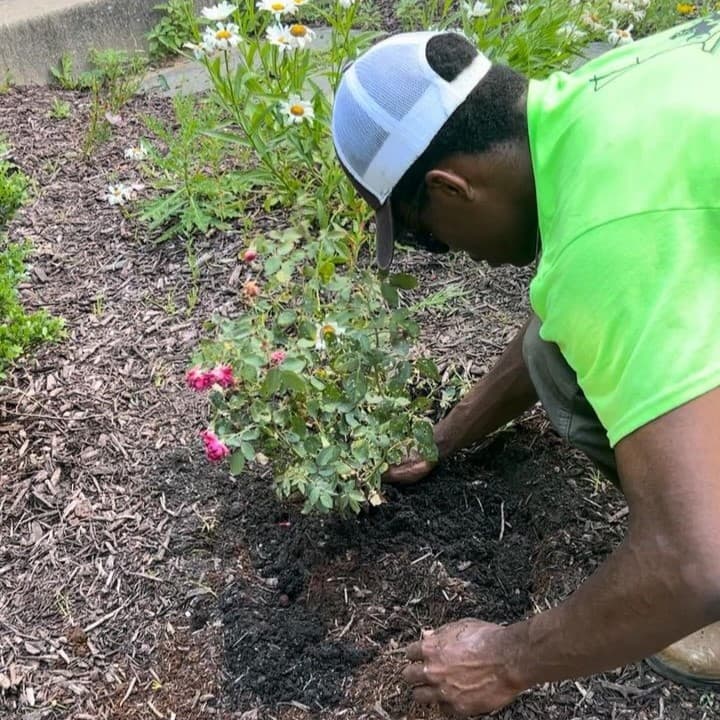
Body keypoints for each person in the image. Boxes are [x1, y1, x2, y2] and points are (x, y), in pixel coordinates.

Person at [330, 14, 720, 717]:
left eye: (426, 241)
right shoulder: (600, 93)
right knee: (556, 349)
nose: (445, 254)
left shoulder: (610, 240)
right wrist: (446, 435)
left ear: (451, 188)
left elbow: (695, 560)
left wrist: (505, 662)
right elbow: (559, 322)